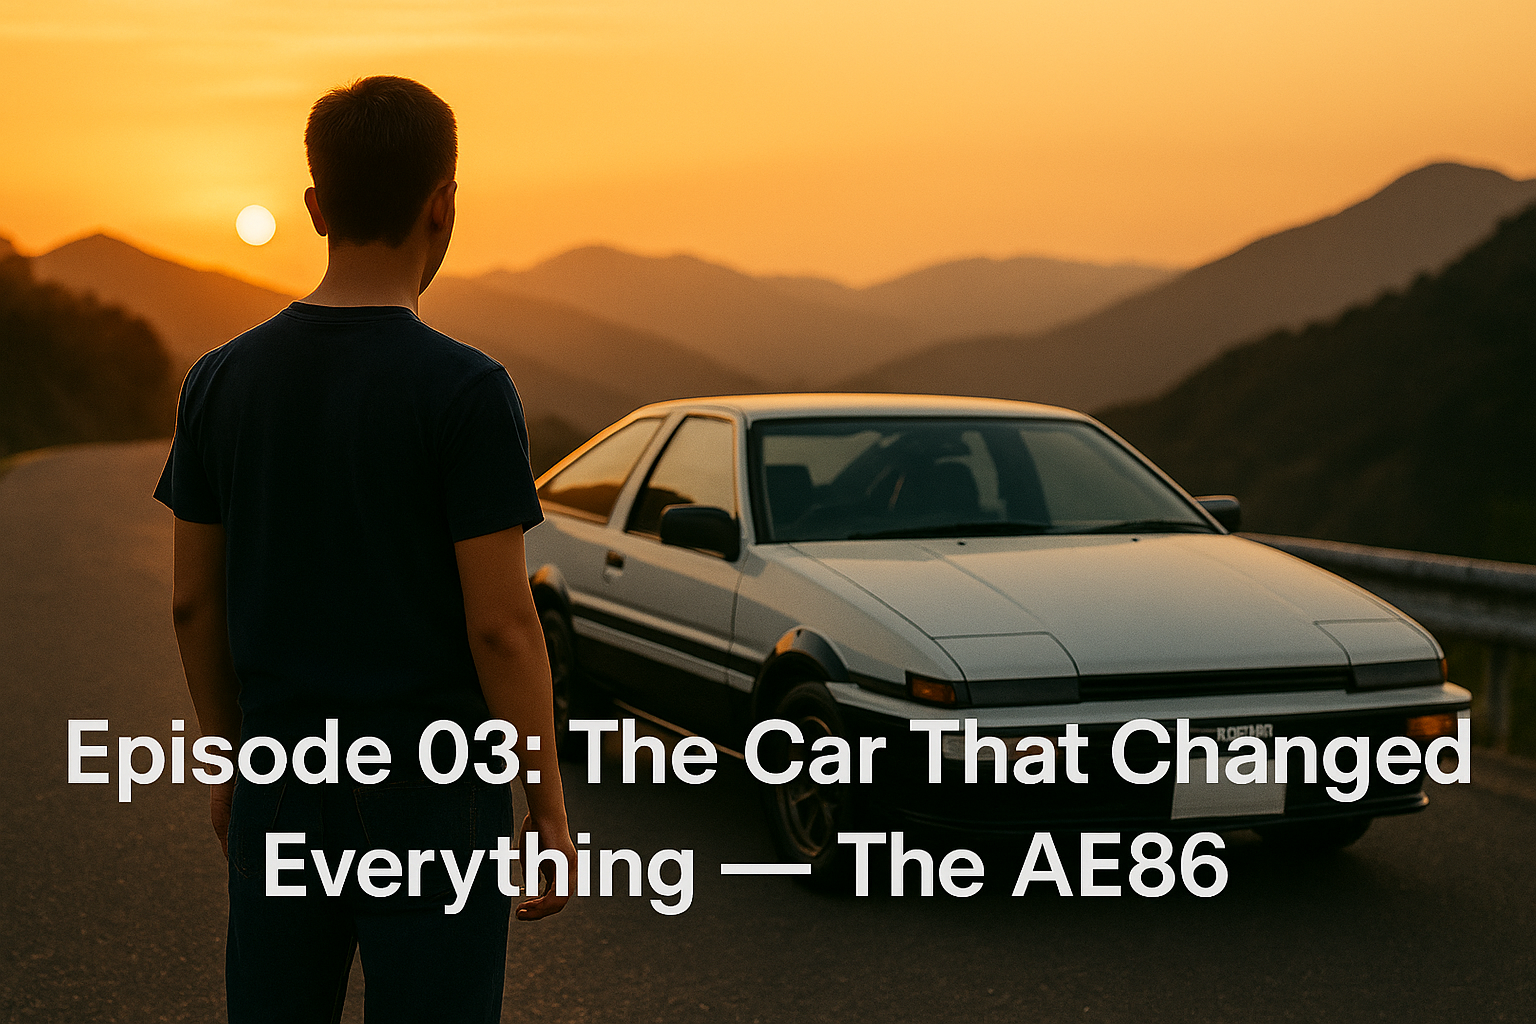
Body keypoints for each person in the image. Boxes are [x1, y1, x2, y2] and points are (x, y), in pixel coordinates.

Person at [155, 75, 575, 1023]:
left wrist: (230, 757)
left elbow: (192, 604)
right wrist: (545, 803)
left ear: (316, 206)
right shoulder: (467, 391)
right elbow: (502, 625)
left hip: (280, 773)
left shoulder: (218, 380)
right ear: (443, 204)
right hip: (434, 792)